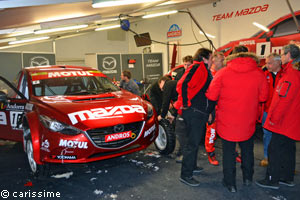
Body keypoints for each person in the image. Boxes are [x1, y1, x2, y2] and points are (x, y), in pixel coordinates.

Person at [206, 50, 269, 193]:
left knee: (228, 153)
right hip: (248, 120)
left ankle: (230, 183)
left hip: (227, 121)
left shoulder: (222, 73)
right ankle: (247, 178)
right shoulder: (258, 73)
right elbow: (264, 97)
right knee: (247, 151)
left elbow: (212, 95)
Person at [256, 44, 300, 190]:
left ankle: (272, 179)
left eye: (282, 55)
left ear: (288, 56)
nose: (281, 57)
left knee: (274, 150)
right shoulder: (293, 72)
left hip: (283, 121)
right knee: (288, 150)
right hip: (292, 120)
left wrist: (273, 120)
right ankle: (287, 177)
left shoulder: (290, 74)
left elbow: (283, 100)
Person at [174, 48, 215, 187]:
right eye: (211, 58)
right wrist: (185, 103)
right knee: (191, 144)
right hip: (193, 113)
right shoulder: (198, 67)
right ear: (204, 58)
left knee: (195, 143)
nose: (213, 60)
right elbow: (182, 84)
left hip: (199, 112)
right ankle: (186, 175)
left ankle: (192, 166)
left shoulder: (204, 69)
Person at [260, 53, 283, 167]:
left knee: (282, 136)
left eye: (270, 63)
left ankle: (281, 159)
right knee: (267, 134)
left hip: (282, 111)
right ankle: (266, 156)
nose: (267, 65)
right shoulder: (263, 74)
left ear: (278, 62)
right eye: (266, 63)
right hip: (267, 111)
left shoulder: (286, 75)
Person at [205, 52, 225, 166]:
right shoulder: (208, 75)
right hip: (213, 108)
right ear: (214, 61)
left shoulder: (224, 73)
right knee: (212, 132)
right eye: (221, 60)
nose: (223, 63)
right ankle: (210, 152)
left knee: (230, 131)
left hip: (224, 108)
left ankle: (234, 152)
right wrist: (209, 111)